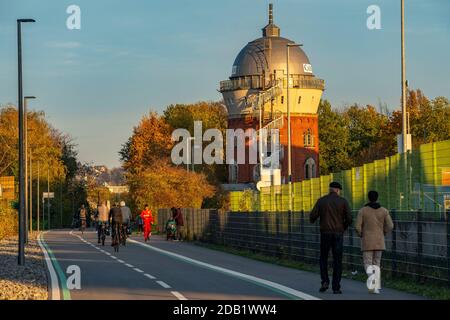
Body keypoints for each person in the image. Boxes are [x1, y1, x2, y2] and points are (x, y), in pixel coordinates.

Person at [310, 182, 352, 294]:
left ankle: (325, 281)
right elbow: (349, 218)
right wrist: (343, 226)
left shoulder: (321, 201)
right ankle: (336, 287)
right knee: (337, 260)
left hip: (325, 233)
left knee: (323, 258)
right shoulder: (343, 202)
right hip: (338, 233)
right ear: (338, 190)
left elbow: (312, 216)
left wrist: (316, 220)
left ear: (330, 189)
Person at [355, 191, 394, 294]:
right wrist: (383, 232)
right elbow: (390, 226)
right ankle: (375, 286)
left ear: (368, 198)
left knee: (367, 262)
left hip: (367, 240)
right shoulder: (384, 211)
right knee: (377, 263)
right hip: (379, 240)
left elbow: (357, 226)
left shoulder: (362, 211)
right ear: (377, 198)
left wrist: (360, 234)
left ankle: (372, 281)